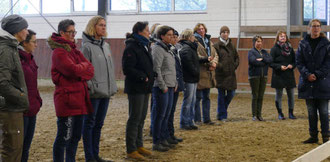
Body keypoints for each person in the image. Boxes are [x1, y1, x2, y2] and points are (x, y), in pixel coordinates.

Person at [48, 19, 94, 162]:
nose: (74, 34)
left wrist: (82, 68)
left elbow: (90, 70)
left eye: (74, 31)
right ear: (62, 33)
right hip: (67, 101)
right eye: (71, 32)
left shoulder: (73, 49)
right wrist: (82, 67)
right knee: (64, 137)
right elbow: (72, 70)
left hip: (79, 99)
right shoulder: (59, 52)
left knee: (75, 137)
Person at [81, 16, 117, 162]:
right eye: (100, 25)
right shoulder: (86, 47)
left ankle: (95, 155)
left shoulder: (106, 45)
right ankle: (89, 156)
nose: (104, 27)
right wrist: (91, 86)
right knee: (89, 124)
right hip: (94, 93)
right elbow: (84, 70)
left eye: (104, 25)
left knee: (99, 124)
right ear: (93, 27)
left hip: (106, 92)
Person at [122, 21, 155, 161]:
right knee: (134, 118)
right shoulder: (131, 46)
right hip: (136, 87)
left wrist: (152, 76)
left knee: (141, 118)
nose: (149, 33)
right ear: (139, 32)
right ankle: (131, 149)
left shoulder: (144, 45)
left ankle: (139, 145)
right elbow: (127, 68)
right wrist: (143, 77)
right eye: (147, 30)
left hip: (145, 87)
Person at [0, 14, 29, 162]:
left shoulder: (11, 47)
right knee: (11, 151)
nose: (27, 32)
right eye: (25, 29)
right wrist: (21, 97)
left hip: (12, 106)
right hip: (10, 107)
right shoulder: (6, 49)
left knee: (15, 150)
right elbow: (2, 83)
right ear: (16, 30)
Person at [296, 19, 330, 144]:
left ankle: (326, 136)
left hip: (323, 83)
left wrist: (316, 74)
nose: (315, 28)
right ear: (308, 28)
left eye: (318, 26)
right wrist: (307, 74)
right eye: (313, 26)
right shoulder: (302, 44)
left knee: (324, 112)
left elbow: (328, 63)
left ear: (320, 28)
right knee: (311, 112)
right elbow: (299, 62)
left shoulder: (326, 44)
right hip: (307, 83)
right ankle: (313, 136)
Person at [19, 29, 43, 162]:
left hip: (32, 108)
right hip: (21, 110)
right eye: (34, 42)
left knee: (26, 147)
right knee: (18, 147)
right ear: (25, 43)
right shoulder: (17, 59)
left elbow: (33, 84)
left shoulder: (30, 59)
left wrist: (37, 100)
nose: (36, 45)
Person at [179, 28, 210, 130]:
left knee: (191, 101)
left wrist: (205, 59)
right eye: (192, 36)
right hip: (189, 78)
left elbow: (195, 59)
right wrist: (196, 72)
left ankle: (190, 121)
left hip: (192, 78)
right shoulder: (186, 49)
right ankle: (185, 122)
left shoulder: (190, 48)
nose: (194, 37)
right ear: (189, 37)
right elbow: (189, 64)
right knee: (188, 101)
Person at [213, 26, 239, 122]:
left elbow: (237, 57)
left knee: (231, 93)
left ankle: (221, 112)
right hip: (221, 74)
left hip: (231, 74)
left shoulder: (231, 45)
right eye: (223, 32)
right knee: (221, 95)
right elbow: (215, 58)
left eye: (227, 32)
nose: (225, 34)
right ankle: (223, 115)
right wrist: (221, 66)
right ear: (220, 33)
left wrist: (234, 65)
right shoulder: (216, 46)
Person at [193, 23, 218, 125]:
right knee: (198, 98)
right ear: (196, 31)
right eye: (199, 29)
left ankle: (207, 118)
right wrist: (209, 62)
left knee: (207, 97)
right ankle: (197, 119)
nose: (201, 30)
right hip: (200, 71)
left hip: (209, 73)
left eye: (203, 29)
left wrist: (214, 63)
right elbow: (197, 55)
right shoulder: (195, 42)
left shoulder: (209, 42)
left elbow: (215, 54)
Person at [270, 31, 296, 120]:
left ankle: (291, 113)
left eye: (284, 36)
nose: (283, 38)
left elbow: (295, 61)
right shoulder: (274, 49)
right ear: (278, 38)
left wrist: (292, 65)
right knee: (279, 95)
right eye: (281, 36)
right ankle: (280, 113)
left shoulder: (291, 48)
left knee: (291, 95)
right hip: (278, 75)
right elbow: (271, 63)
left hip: (289, 75)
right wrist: (279, 67)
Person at [248, 35, 272, 121]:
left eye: (260, 41)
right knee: (255, 95)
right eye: (258, 41)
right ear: (254, 42)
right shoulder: (251, 52)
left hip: (263, 76)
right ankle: (254, 115)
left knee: (261, 96)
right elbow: (253, 61)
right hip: (254, 76)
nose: (259, 43)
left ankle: (259, 114)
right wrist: (264, 61)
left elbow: (270, 60)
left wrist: (261, 59)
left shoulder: (264, 52)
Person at [167, 29, 184, 143]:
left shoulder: (175, 50)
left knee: (171, 111)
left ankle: (170, 134)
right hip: (170, 83)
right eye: (173, 37)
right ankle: (166, 135)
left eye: (176, 37)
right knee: (168, 112)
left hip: (175, 82)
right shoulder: (169, 51)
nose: (175, 39)